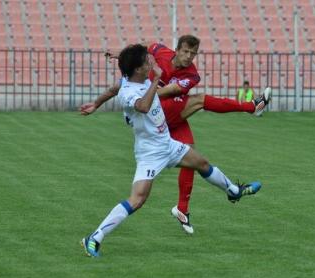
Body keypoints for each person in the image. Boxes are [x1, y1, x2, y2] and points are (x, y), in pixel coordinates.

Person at [81, 44, 261, 257]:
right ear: (139, 69)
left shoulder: (135, 78)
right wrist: (156, 79)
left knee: (202, 163)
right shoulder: (129, 92)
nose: (151, 59)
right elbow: (142, 106)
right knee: (137, 200)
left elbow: (112, 89)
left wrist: (96, 103)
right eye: (146, 59)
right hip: (150, 153)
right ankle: (94, 238)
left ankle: (233, 191)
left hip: (167, 143)